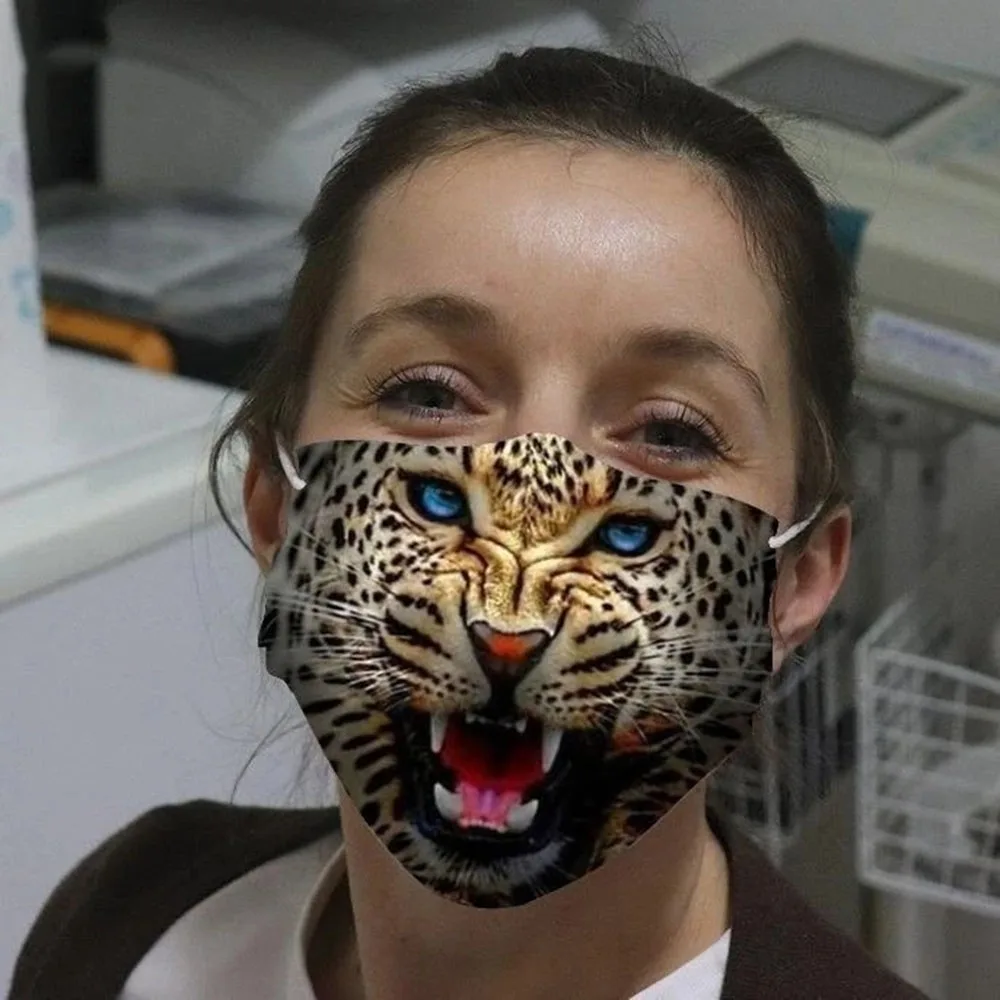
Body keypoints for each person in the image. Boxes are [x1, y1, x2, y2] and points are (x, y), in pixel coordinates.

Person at [11, 45, 928, 1000]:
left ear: (795, 582)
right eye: (430, 394)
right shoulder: (134, 917)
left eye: (669, 431)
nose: (519, 568)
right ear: (281, 505)